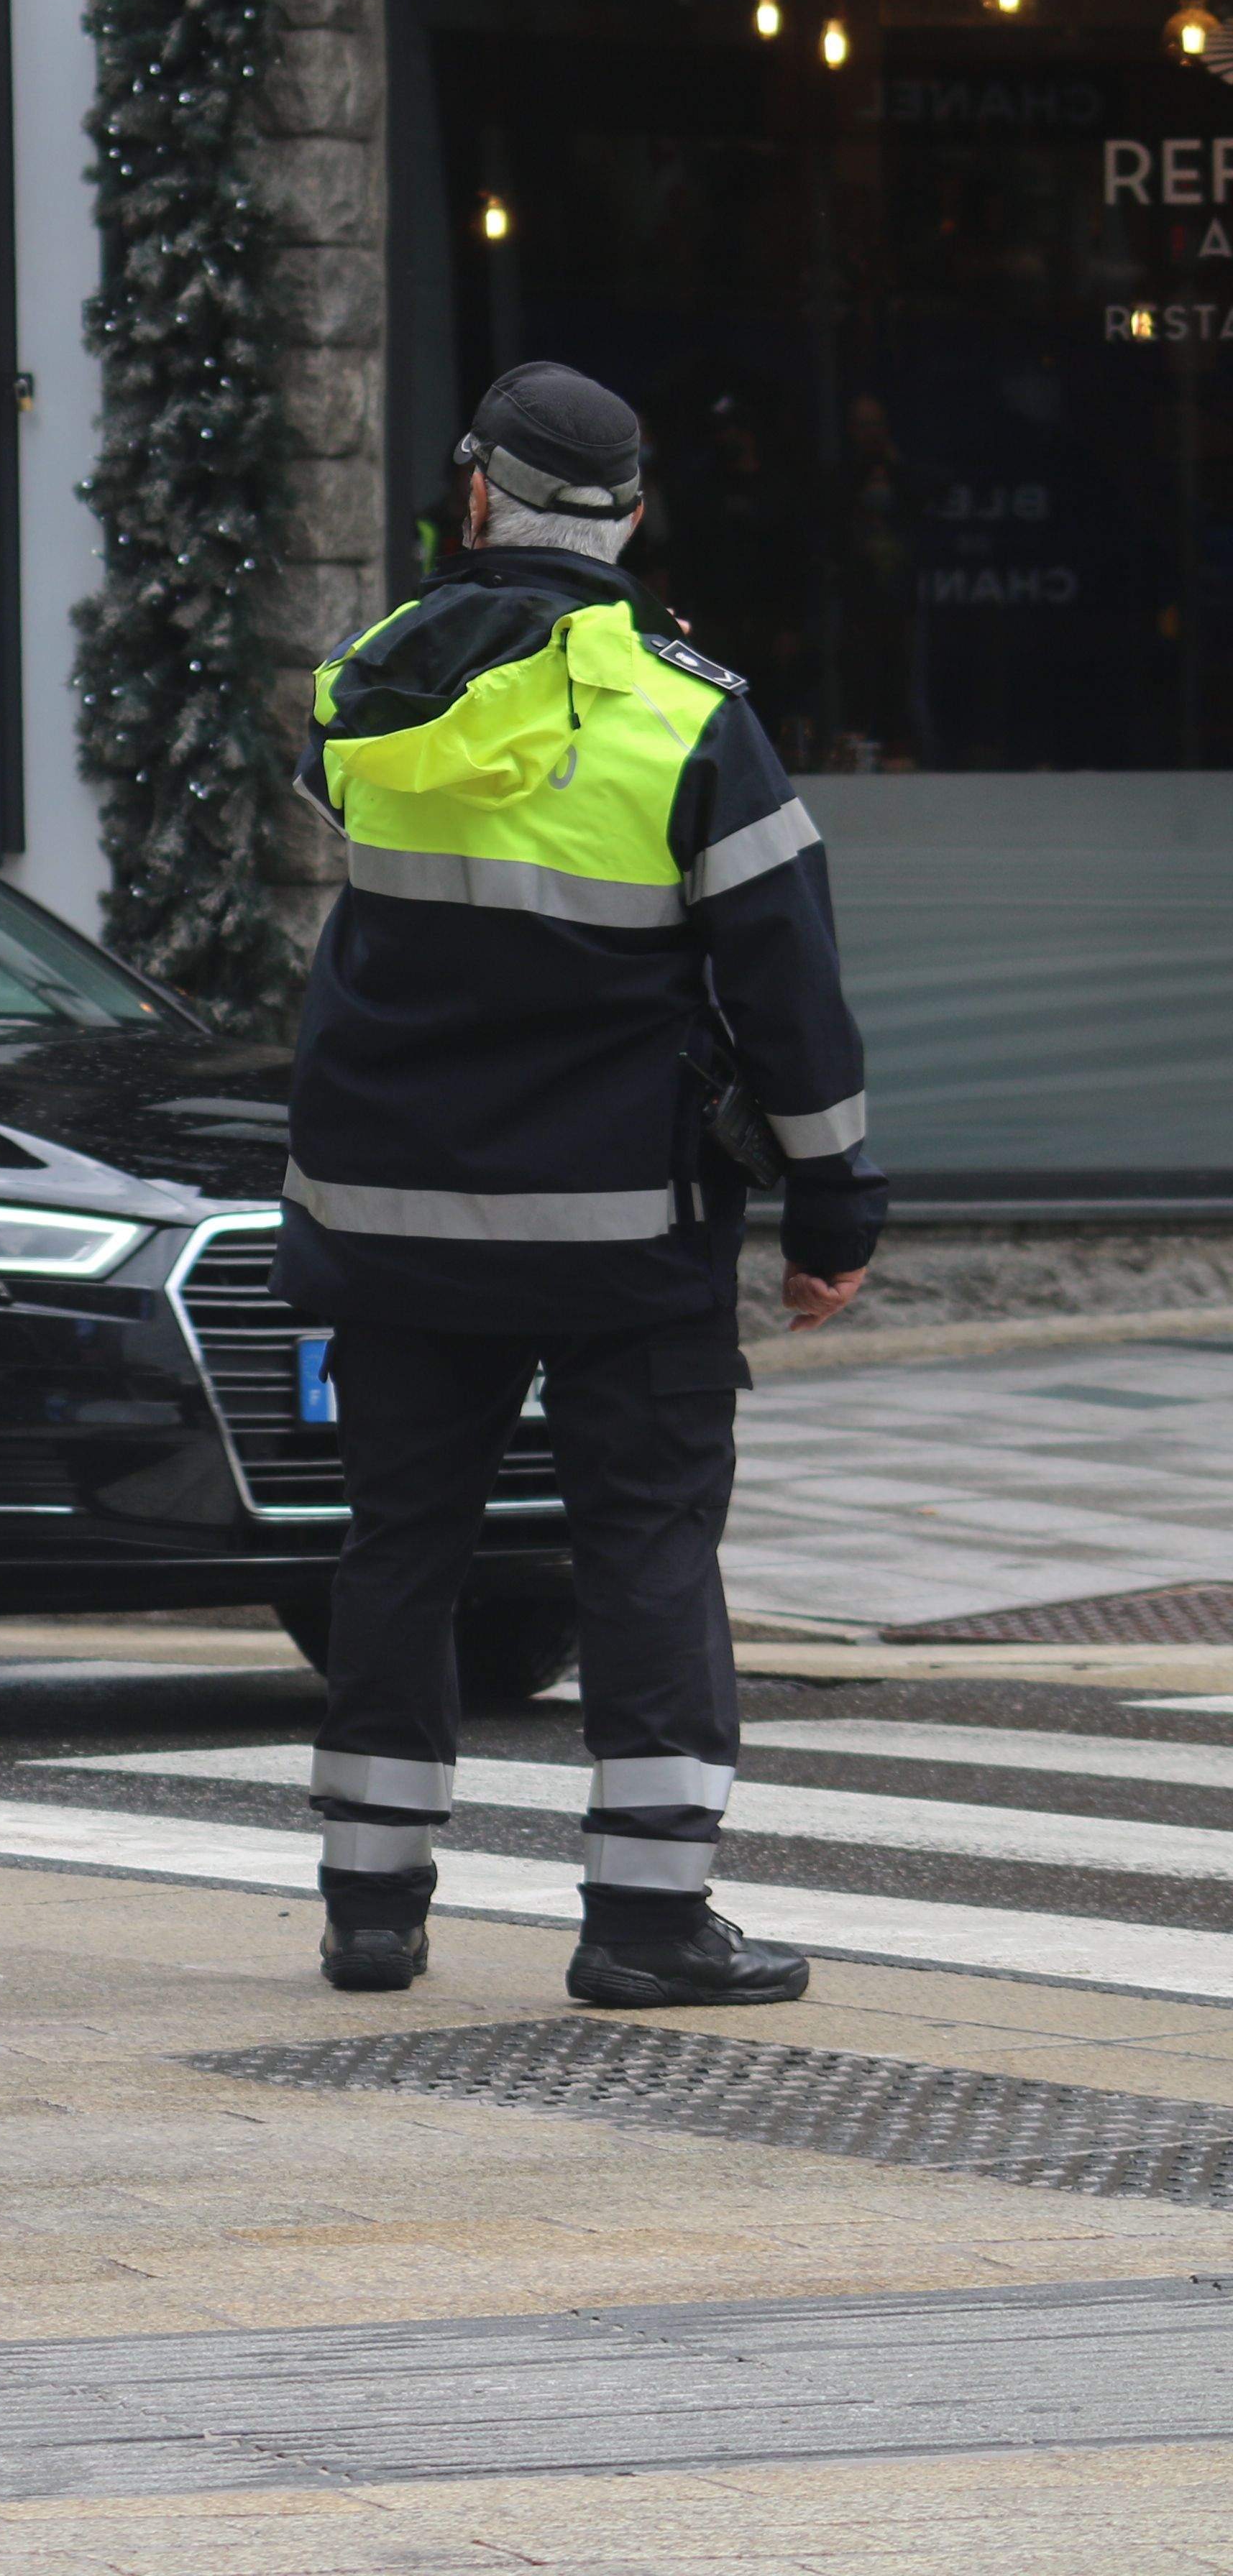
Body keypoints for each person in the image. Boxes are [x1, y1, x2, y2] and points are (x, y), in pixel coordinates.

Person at [278, 361, 886, 2008]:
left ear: (472, 497)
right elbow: (788, 998)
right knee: (640, 1550)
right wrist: (832, 1211)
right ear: (626, 518)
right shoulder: (689, 719)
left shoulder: (363, 696)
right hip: (618, 1234)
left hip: (386, 1220)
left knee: (397, 1546)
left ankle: (367, 1907)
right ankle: (640, 1923)